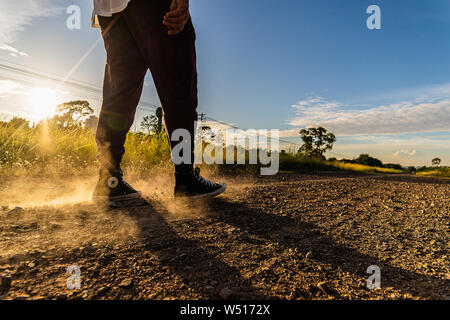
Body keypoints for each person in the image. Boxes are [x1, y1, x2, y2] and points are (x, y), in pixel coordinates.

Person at [91, 0, 226, 202]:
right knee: (178, 82)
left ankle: (109, 179)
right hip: (152, 5)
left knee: (119, 90)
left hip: (109, 8)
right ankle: (185, 178)